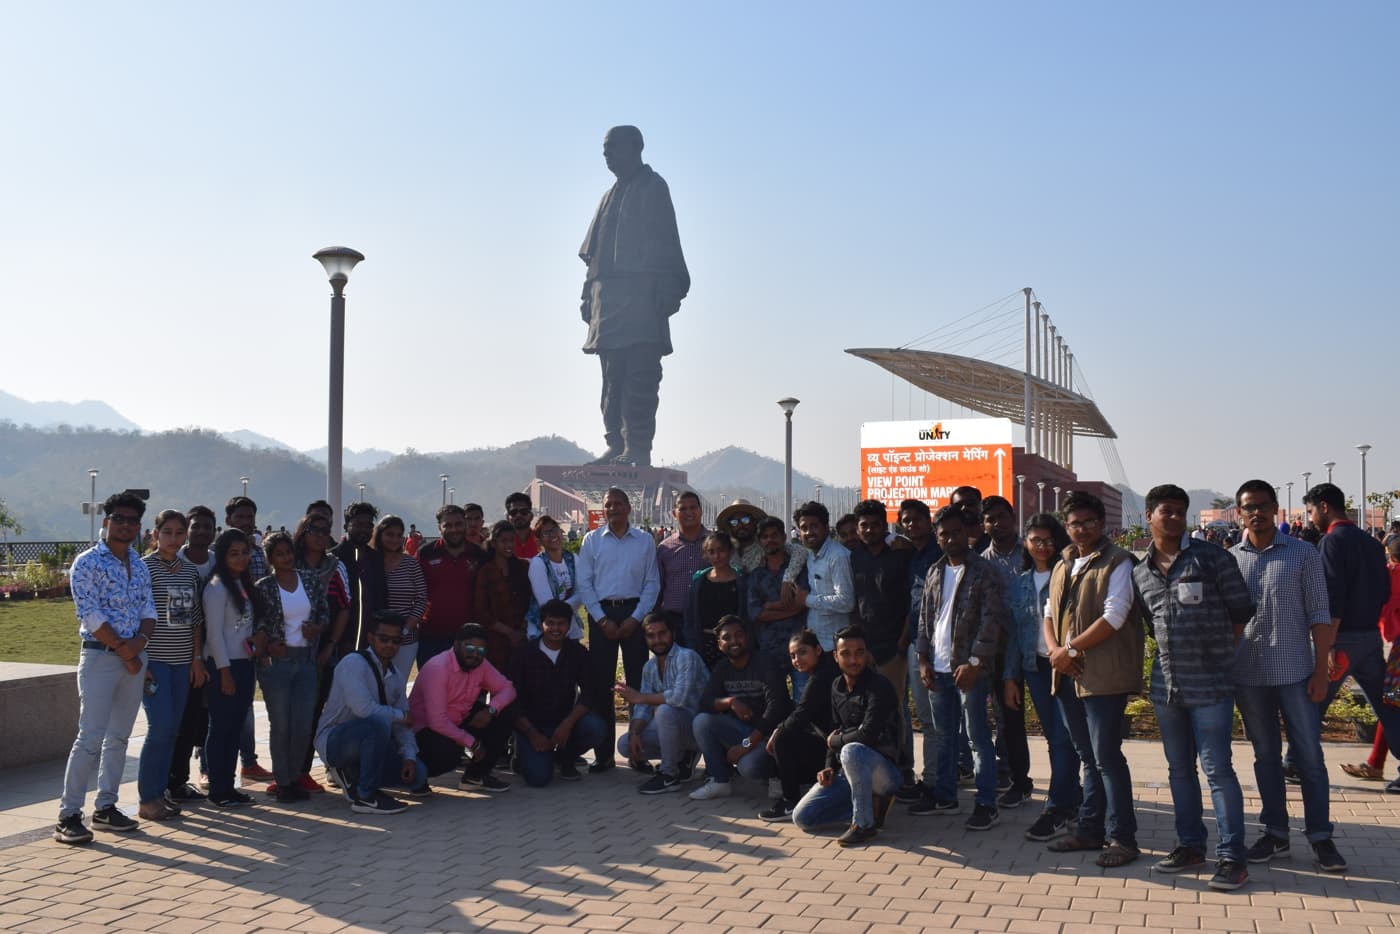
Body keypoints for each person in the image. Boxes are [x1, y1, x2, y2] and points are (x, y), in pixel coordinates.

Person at [1133, 485, 1253, 890]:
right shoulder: (1140, 571)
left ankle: (1232, 857)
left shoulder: (1212, 558)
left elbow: (1241, 611)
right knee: (1179, 769)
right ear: (1149, 516)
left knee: (1217, 770)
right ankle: (1190, 845)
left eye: (1179, 512)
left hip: (1211, 685)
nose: (1173, 518)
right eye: (1165, 511)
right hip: (1166, 687)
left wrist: (1218, 655)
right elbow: (1151, 623)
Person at [1230, 479, 1348, 872]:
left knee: (1310, 757)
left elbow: (1319, 613)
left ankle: (1321, 836)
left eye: (1263, 505)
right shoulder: (1230, 560)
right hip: (1248, 675)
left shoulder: (1303, 554)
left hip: (1296, 672)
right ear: (1239, 513)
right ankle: (1275, 833)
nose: (1257, 513)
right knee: (1265, 758)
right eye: (1249, 507)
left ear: (1276, 509)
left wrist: (1321, 672)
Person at [578, 124, 689, 466]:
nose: (606, 154)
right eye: (604, 148)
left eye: (612, 147)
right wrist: (587, 295)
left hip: (642, 298)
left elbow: (668, 241)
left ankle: (637, 447)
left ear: (636, 147)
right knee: (611, 378)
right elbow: (594, 255)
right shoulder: (607, 196)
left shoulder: (653, 187)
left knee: (640, 375)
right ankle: (615, 442)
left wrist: (669, 289)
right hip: (607, 300)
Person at [1043, 490, 1144, 869]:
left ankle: (1123, 838)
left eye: (1088, 522)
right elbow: (1048, 613)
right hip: (1067, 672)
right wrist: (1057, 652)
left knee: (1107, 758)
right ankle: (1089, 829)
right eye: (1074, 523)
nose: (1081, 529)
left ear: (1101, 523)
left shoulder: (1118, 561)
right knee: (1088, 755)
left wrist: (1069, 650)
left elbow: (1115, 615)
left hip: (1103, 675)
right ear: (1066, 527)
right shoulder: (1063, 563)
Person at [55, 493, 158, 844]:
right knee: (90, 737)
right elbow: (90, 615)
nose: (126, 525)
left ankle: (106, 807)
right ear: (106, 521)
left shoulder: (139, 565)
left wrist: (138, 646)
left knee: (119, 737)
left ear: (139, 527)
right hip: (101, 658)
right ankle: (69, 814)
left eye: (132, 520)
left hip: (135, 657)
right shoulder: (87, 563)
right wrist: (124, 651)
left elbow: (149, 611)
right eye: (119, 518)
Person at [1293, 483, 1400, 791]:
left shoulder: (1331, 542)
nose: (1310, 518)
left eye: (1311, 511)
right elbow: (1383, 590)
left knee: (1313, 699)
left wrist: (1327, 644)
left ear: (1324, 507)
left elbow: (1333, 597)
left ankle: (1295, 762)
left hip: (1341, 639)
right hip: (1370, 637)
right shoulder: (1371, 543)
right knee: (1387, 707)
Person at [912, 505, 1005, 830]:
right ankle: (945, 797)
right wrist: (923, 659)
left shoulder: (984, 571)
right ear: (937, 537)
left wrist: (975, 662)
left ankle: (986, 804)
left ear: (967, 533)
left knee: (977, 737)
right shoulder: (935, 571)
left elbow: (991, 622)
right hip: (937, 669)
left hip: (969, 671)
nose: (951, 538)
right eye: (945, 534)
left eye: (956, 532)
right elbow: (925, 619)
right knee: (944, 737)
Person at [1002, 513, 1080, 842]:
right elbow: (1013, 634)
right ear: (1026, 543)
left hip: (1066, 665)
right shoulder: (1020, 582)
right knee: (1055, 738)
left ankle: (1057, 807)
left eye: (1048, 540)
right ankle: (1072, 801)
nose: (1042, 546)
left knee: (1064, 738)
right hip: (1034, 667)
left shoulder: (1067, 574)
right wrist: (1010, 677)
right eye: (1036, 540)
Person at [792, 625, 903, 846]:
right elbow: (836, 728)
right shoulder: (836, 686)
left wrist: (834, 741)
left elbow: (867, 735)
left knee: (852, 750)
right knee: (803, 817)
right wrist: (829, 767)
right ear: (835, 656)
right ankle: (872, 806)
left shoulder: (879, 686)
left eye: (859, 653)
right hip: (850, 770)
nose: (853, 660)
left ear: (867, 654)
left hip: (885, 773)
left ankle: (864, 825)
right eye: (846, 654)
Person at [575, 487, 661, 771]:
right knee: (602, 686)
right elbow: (585, 583)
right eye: (608, 504)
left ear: (628, 507)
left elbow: (652, 583)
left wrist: (635, 618)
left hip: (635, 614)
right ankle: (604, 756)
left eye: (618, 503)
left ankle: (638, 753)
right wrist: (601, 619)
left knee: (637, 684)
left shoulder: (644, 540)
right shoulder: (591, 540)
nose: (613, 508)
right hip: (602, 615)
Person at [317, 612, 428, 813]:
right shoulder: (353, 663)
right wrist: (402, 716)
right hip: (335, 741)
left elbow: (403, 725)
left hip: (372, 740)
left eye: (395, 640)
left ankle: (352, 773)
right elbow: (364, 710)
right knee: (378, 722)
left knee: (418, 775)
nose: (389, 645)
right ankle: (365, 796)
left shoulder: (396, 675)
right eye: (383, 639)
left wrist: (409, 756)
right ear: (370, 638)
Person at [135, 510, 205, 821]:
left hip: (182, 663)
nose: (173, 538)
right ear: (155, 534)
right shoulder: (143, 568)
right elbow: (136, 615)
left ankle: (160, 793)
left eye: (179, 532)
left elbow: (195, 620)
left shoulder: (190, 571)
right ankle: (147, 797)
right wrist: (142, 661)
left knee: (173, 730)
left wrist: (196, 658)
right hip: (155, 662)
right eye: (167, 532)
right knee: (160, 727)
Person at [253, 531, 330, 804]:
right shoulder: (263, 586)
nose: (285, 558)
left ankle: (296, 776)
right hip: (277, 663)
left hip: (306, 659)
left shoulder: (309, 580)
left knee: (302, 724)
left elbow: (324, 612)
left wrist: (316, 628)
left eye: (288, 552)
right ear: (270, 558)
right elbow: (257, 622)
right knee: (281, 724)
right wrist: (268, 645)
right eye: (279, 554)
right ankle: (283, 782)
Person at [689, 616, 793, 800]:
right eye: (726, 638)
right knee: (701, 721)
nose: (734, 641)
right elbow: (705, 702)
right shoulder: (722, 668)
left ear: (747, 637)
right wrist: (730, 701)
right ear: (719, 644)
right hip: (744, 732)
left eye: (738, 635)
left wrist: (746, 746)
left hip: (770, 736)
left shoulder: (765, 662)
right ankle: (720, 781)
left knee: (748, 767)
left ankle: (776, 775)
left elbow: (777, 708)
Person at [409, 623, 517, 793]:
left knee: (505, 713)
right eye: (470, 647)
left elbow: (508, 688)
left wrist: (491, 710)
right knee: (449, 754)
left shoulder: (480, 664)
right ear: (456, 645)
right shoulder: (438, 668)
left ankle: (475, 776)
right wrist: (472, 742)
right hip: (425, 730)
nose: (475, 654)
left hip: (458, 718)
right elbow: (437, 721)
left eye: (481, 650)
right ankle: (416, 775)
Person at [508, 599, 605, 787]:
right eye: (550, 623)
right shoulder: (523, 654)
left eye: (561, 624)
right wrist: (531, 733)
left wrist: (568, 724)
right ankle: (523, 754)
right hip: (532, 725)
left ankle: (565, 759)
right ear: (541, 624)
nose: (555, 628)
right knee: (539, 779)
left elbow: (589, 692)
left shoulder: (577, 652)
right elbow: (511, 701)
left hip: (563, 721)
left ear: (569, 626)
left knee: (595, 728)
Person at [203, 528, 265, 808]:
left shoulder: (243, 583)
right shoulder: (216, 588)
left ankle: (229, 786)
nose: (240, 558)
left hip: (244, 664)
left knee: (235, 727)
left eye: (244, 552)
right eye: (233, 554)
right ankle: (218, 789)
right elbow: (214, 635)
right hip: (223, 666)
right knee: (221, 728)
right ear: (222, 556)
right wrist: (224, 671)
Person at [292, 512, 350, 794]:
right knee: (287, 714)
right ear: (303, 532)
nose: (319, 536)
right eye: (314, 530)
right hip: (289, 649)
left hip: (323, 651)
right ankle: (285, 772)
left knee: (313, 711)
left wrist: (329, 645)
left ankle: (302, 771)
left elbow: (345, 608)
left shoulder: (335, 566)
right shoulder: (288, 562)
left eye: (325, 531)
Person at [848, 500, 911, 756]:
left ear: (885, 526)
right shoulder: (854, 557)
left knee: (897, 708)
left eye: (875, 525)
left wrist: (902, 645)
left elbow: (911, 603)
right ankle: (874, 763)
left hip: (893, 646)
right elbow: (855, 602)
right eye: (864, 525)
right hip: (865, 647)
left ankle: (903, 766)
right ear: (857, 528)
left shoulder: (900, 555)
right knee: (867, 708)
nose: (870, 530)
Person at [617, 613, 706, 793]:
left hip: (699, 730)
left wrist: (640, 697)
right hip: (673, 728)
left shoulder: (687, 656)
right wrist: (634, 732)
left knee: (665, 711)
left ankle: (669, 775)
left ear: (673, 633)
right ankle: (683, 757)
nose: (657, 640)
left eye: (662, 633)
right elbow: (642, 708)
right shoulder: (649, 667)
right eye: (651, 635)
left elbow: (678, 698)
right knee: (625, 744)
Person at [979, 494, 1030, 807]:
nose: (997, 523)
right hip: (1002, 651)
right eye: (990, 519)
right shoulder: (982, 563)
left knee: (1058, 724)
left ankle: (1069, 787)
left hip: (1038, 645)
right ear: (984, 525)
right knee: (1009, 722)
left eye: (1002, 516)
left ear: (1013, 518)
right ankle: (1020, 781)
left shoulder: (1032, 552)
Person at [760, 630, 840, 821]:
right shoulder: (823, 671)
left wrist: (778, 731)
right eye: (793, 656)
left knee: (782, 737)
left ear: (818, 650)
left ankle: (791, 801)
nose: (797, 660)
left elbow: (802, 714)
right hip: (831, 745)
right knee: (786, 730)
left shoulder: (822, 676)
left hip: (837, 750)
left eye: (803, 652)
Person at [168, 504, 217, 802]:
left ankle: (186, 778)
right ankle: (170, 780)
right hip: (179, 653)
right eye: (196, 525)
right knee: (178, 719)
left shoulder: (218, 563)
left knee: (200, 719)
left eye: (207, 526)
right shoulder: (175, 561)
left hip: (213, 652)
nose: (201, 531)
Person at [1341, 536, 1400, 786]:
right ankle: (1375, 762)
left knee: (1392, 703)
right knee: (1391, 705)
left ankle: (1376, 763)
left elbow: (1385, 607)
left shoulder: (1393, 574)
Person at [895, 498, 942, 800]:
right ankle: (927, 778)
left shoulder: (940, 553)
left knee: (934, 718)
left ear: (929, 520)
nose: (912, 525)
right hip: (915, 643)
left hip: (937, 646)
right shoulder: (911, 555)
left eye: (917, 519)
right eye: (906, 521)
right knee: (923, 716)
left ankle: (936, 782)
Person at [224, 495, 271, 783]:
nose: (244, 522)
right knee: (218, 707)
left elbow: (263, 596)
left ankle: (249, 762)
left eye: (249, 517)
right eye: (239, 517)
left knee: (246, 704)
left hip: (251, 640)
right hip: (223, 641)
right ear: (228, 520)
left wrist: (261, 635)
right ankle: (209, 767)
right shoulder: (218, 553)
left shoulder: (259, 554)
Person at [417, 504, 488, 669]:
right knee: (432, 684)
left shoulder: (479, 554)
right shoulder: (425, 553)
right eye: (447, 525)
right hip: (431, 635)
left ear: (465, 524)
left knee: (468, 685)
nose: (454, 529)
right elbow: (414, 590)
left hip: (469, 637)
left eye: (458, 524)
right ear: (439, 528)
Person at [746, 516, 809, 694]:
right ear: (760, 541)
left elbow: (804, 603)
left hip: (800, 648)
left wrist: (771, 605)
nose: (770, 540)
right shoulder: (756, 575)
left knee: (803, 700)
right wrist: (791, 609)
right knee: (774, 702)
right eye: (765, 537)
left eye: (774, 535)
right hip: (769, 650)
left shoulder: (799, 569)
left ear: (784, 537)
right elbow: (756, 613)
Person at [791, 501, 854, 652]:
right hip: (817, 645)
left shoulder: (837, 556)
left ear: (826, 527)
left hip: (835, 646)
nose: (808, 532)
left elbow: (846, 602)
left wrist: (807, 600)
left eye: (814, 526)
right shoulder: (811, 556)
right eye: (804, 528)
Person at [372, 515, 428, 677]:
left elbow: (421, 599)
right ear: (379, 534)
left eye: (399, 535)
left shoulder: (411, 564)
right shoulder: (369, 561)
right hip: (374, 639)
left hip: (405, 640)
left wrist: (404, 630)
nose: (394, 539)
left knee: (397, 685)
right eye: (390, 534)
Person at [331, 501, 387, 656]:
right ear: (346, 526)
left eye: (368, 525)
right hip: (340, 642)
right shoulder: (333, 558)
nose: (364, 529)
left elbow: (382, 597)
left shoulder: (376, 558)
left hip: (371, 640)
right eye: (358, 524)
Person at [475, 520, 532, 670]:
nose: (509, 545)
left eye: (512, 540)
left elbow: (532, 602)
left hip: (523, 638)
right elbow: (481, 611)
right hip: (495, 640)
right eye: (504, 541)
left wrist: (521, 631)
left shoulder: (523, 567)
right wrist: (510, 633)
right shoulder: (486, 572)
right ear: (494, 543)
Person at [683, 531, 742, 668]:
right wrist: (691, 643)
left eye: (721, 550)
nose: (717, 556)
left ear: (730, 551)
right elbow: (690, 616)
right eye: (711, 552)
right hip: (704, 644)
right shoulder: (699, 582)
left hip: (734, 645)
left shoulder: (742, 582)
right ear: (706, 555)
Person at [655, 491, 707, 642]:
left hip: (706, 620)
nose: (689, 512)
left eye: (693, 508)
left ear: (701, 511)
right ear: (674, 514)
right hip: (673, 621)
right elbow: (658, 586)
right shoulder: (664, 548)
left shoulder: (714, 544)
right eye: (683, 509)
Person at [506, 492, 541, 560]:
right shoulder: (501, 543)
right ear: (508, 517)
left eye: (523, 512)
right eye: (514, 512)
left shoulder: (542, 539)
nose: (518, 515)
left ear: (531, 515)